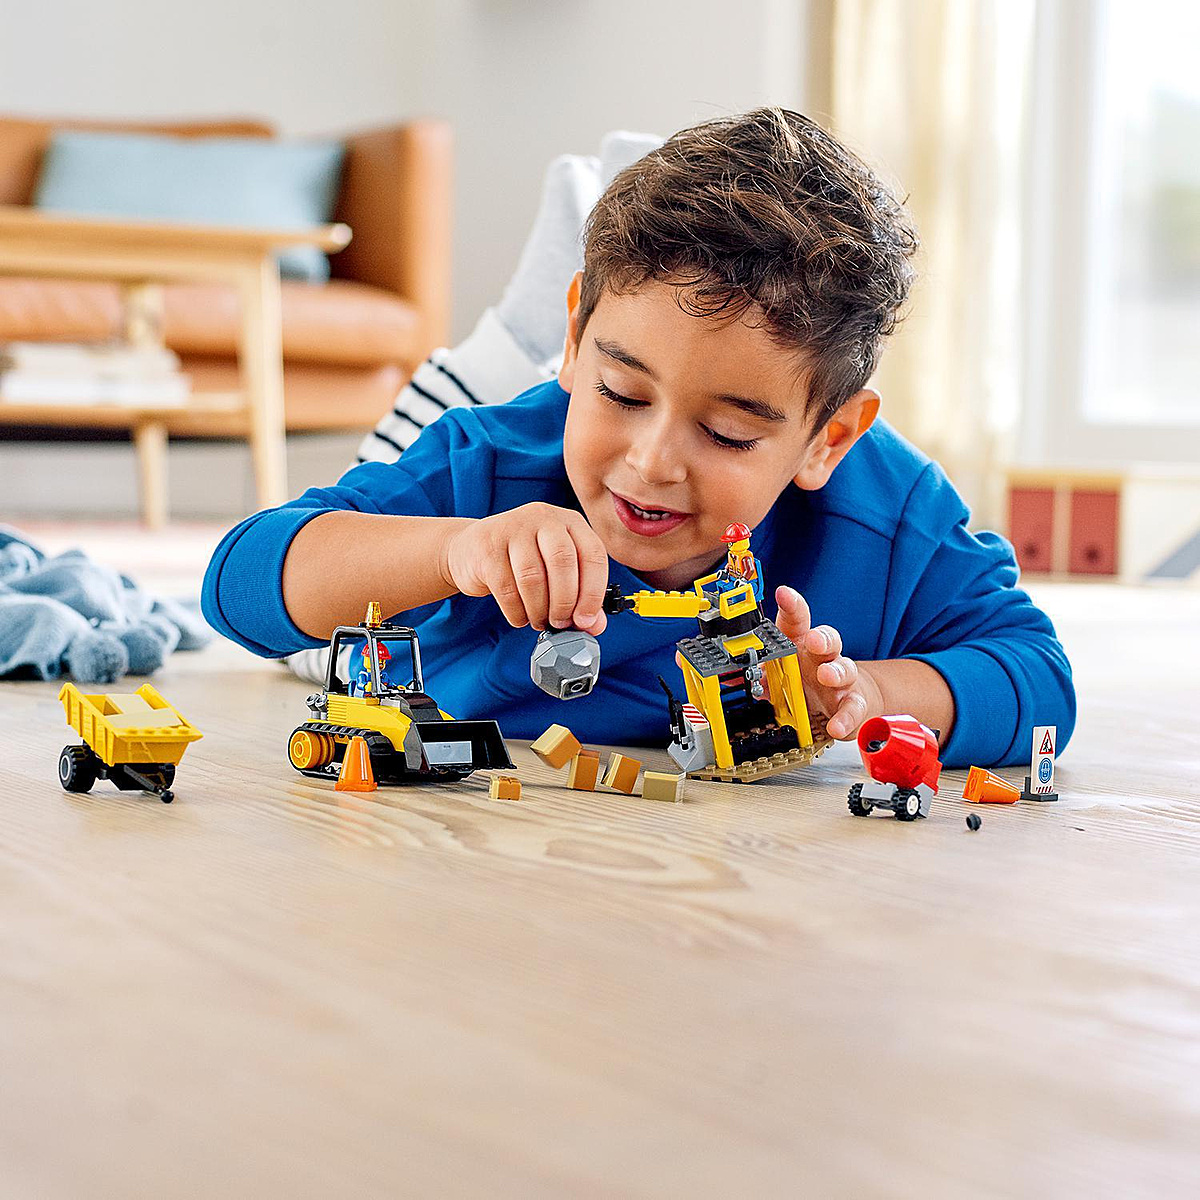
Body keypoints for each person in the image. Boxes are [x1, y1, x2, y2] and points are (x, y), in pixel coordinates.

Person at [202, 108, 1074, 766]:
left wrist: (870, 692)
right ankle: (517, 337)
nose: (651, 462)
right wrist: (455, 551)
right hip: (424, 645)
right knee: (325, 645)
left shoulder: (887, 513)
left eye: (727, 434)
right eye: (622, 392)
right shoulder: (491, 467)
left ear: (828, 439)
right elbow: (238, 584)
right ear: (576, 339)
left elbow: (1039, 678)